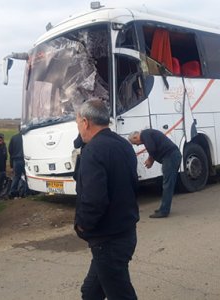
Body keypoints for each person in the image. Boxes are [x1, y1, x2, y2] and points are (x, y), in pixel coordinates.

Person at [74, 99, 139, 299]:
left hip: (108, 240)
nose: (78, 128)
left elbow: (94, 199)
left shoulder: (93, 151)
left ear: (85, 122)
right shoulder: (123, 144)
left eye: (77, 123)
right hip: (125, 233)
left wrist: (83, 225)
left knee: (121, 295)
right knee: (90, 293)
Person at [129, 129, 182, 218]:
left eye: (135, 143)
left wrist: (150, 159)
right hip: (172, 156)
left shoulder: (145, 134)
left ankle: (164, 211)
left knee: (167, 185)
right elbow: (153, 148)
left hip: (170, 157)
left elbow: (152, 148)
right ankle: (163, 208)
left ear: (135, 137)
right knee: (167, 184)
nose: (138, 145)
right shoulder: (148, 134)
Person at [8, 126, 26, 198]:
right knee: (27, 177)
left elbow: (10, 151)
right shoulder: (26, 138)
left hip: (16, 160)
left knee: (16, 177)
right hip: (25, 160)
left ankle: (12, 193)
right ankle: (27, 192)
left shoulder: (13, 138)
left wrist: (11, 164)